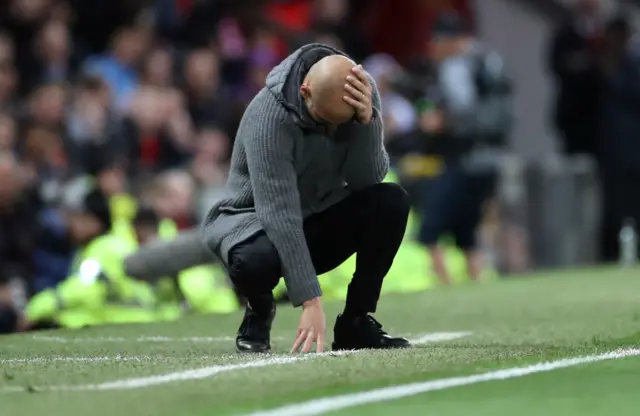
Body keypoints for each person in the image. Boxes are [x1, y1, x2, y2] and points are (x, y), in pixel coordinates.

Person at [202, 43, 411, 354]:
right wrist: (310, 301)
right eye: (321, 118)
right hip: (255, 222)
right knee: (251, 263)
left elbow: (366, 180)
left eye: (336, 124)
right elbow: (279, 211)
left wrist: (367, 123)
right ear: (305, 91)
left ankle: (355, 321)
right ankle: (259, 310)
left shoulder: (359, 92)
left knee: (390, 200)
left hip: (317, 214)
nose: (327, 129)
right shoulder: (268, 117)